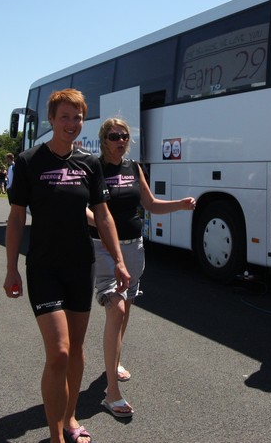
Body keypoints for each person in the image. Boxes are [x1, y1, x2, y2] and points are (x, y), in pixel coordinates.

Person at [3, 89, 129, 443]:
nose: (71, 124)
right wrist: (11, 268)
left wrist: (118, 260)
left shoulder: (89, 163)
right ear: (51, 120)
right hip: (44, 267)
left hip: (80, 266)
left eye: (77, 118)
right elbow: (16, 218)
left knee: (75, 350)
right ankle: (56, 436)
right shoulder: (28, 162)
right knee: (58, 353)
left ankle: (71, 418)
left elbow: (102, 216)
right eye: (64, 117)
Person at [86, 118, 195, 419]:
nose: (120, 140)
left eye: (124, 135)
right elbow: (84, 208)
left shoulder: (134, 168)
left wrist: (180, 204)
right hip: (105, 249)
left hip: (134, 248)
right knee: (117, 310)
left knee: (125, 313)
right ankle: (111, 393)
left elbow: (150, 204)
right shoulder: (94, 169)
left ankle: (114, 361)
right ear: (103, 139)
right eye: (114, 136)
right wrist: (104, 224)